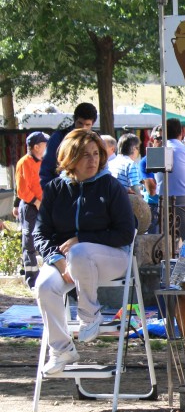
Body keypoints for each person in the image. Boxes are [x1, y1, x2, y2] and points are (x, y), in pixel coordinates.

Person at [33, 128, 134, 375]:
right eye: (85, 155)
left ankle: (90, 314)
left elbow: (125, 233)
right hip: (67, 261)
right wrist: (55, 259)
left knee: (80, 253)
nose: (93, 160)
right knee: (44, 287)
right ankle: (61, 349)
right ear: (70, 158)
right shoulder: (56, 189)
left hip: (113, 258)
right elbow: (40, 232)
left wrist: (81, 239)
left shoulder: (111, 186)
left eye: (95, 154)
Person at [15, 131, 48, 288]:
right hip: (30, 207)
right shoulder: (24, 163)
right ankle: (32, 279)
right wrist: (36, 202)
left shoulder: (43, 162)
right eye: (44, 144)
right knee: (29, 242)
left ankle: (46, 275)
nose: (46, 147)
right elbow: (22, 190)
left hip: (43, 206)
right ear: (36, 147)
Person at [39, 102, 97, 186]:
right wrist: (51, 194)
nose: (83, 128)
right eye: (80, 123)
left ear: (93, 124)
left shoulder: (96, 140)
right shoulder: (58, 138)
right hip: (63, 190)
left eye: (87, 125)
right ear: (74, 120)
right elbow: (46, 171)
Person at [156, 118, 185, 241]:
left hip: (163, 199)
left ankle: (167, 259)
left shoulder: (158, 152)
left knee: (165, 238)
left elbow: (156, 177)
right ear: (181, 133)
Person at [138, 128, 162, 234]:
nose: (162, 142)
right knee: (155, 242)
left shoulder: (175, 158)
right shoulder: (145, 161)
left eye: (166, 138)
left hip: (173, 205)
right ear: (152, 140)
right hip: (154, 206)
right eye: (159, 138)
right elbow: (152, 191)